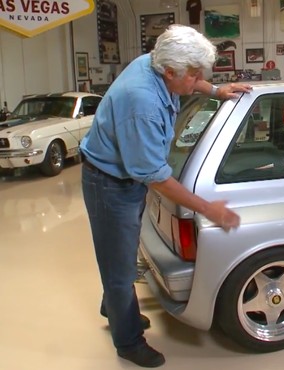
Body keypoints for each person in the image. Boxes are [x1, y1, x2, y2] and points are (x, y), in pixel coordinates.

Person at [80, 24, 252, 368]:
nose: (195, 82)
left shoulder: (154, 61)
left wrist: (215, 89)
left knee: (124, 248)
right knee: (117, 263)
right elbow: (152, 174)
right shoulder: (140, 101)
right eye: (193, 76)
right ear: (168, 71)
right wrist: (208, 209)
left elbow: (188, 80)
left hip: (125, 176)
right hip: (110, 183)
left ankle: (111, 304)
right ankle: (127, 341)